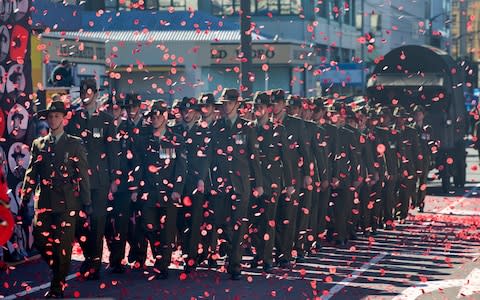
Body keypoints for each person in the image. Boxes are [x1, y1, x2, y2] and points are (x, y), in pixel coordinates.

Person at [20, 100, 90, 298]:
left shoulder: (74, 143)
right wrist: (25, 197)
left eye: (57, 116)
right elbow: (31, 173)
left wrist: (87, 202)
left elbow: (83, 174)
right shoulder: (38, 143)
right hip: (44, 202)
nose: (53, 119)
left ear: (64, 118)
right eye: (50, 116)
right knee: (41, 241)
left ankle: (57, 286)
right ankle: (58, 268)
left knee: (64, 246)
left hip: (67, 202)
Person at [65, 78, 119, 279]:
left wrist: (114, 179)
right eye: (82, 91)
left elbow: (113, 151)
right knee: (78, 223)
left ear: (96, 94)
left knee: (98, 221)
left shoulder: (106, 119)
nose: (85, 95)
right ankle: (89, 256)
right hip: (78, 180)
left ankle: (94, 265)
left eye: (89, 91)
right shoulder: (73, 119)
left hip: (99, 180)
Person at [210, 88, 264, 280]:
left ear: (237, 105)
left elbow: (254, 158)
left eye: (229, 103)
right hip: (222, 184)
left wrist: (259, 183)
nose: (225, 106)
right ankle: (228, 252)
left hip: (241, 184)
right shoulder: (216, 127)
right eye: (223, 103)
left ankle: (235, 264)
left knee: (239, 225)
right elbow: (210, 158)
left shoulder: (247, 128)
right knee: (223, 224)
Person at [137, 99, 187, 280]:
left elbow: (181, 167)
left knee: (167, 231)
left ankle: (163, 264)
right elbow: (140, 166)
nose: (155, 119)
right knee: (148, 227)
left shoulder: (176, 140)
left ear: (165, 117)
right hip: (149, 192)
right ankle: (159, 253)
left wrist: (177, 189)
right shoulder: (145, 140)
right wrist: (136, 188)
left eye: (158, 115)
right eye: (152, 116)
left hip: (169, 193)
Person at [249, 91, 293, 272]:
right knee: (253, 222)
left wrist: (289, 183)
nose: (257, 110)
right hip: (252, 182)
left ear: (268, 109)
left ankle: (267, 258)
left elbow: (286, 158)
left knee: (268, 221)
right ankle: (258, 254)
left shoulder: (278, 129)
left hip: (271, 182)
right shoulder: (248, 128)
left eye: (261, 107)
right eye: (255, 107)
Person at [270, 89, 311, 266]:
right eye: (271, 103)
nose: (274, 107)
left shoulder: (295, 124)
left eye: (277, 103)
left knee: (288, 217)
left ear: (283, 104)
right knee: (275, 218)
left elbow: (305, 151)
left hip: (292, 176)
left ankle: (285, 254)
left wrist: (307, 175)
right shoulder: (267, 124)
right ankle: (276, 251)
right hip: (272, 178)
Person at [172, 96, 212, 274]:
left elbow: (206, 159)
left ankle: (191, 257)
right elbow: (168, 158)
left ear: (196, 112)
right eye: (183, 110)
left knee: (195, 220)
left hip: (196, 181)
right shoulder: (174, 131)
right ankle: (185, 249)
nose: (186, 114)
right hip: (178, 183)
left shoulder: (203, 131)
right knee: (180, 220)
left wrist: (202, 179)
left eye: (190, 111)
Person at [104, 94, 137, 274]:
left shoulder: (129, 128)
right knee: (107, 224)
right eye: (110, 108)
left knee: (122, 222)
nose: (113, 111)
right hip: (105, 184)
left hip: (124, 184)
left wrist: (134, 186)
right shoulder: (102, 126)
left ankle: (117, 260)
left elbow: (135, 159)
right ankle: (115, 251)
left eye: (116, 108)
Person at [413, 104, 432, 212]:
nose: (418, 116)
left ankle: (421, 202)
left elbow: (431, 144)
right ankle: (414, 200)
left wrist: (432, 157)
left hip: (424, 158)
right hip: (413, 158)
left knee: (422, 182)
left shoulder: (427, 129)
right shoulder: (411, 128)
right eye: (416, 114)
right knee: (412, 182)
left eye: (420, 114)